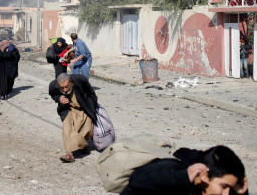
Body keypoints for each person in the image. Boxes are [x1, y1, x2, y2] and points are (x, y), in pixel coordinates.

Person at [120, 145, 249, 195]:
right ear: (204, 176)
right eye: (224, 186)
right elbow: (137, 179)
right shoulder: (173, 170)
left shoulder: (208, 188)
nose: (226, 193)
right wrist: (183, 177)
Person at [48, 73, 98, 163]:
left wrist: (92, 109)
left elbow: (92, 95)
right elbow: (53, 95)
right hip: (68, 109)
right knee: (67, 129)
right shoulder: (53, 85)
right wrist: (59, 98)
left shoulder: (81, 80)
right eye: (62, 88)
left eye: (67, 87)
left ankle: (82, 145)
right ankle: (70, 154)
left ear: (71, 82)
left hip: (84, 109)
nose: (65, 90)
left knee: (87, 130)